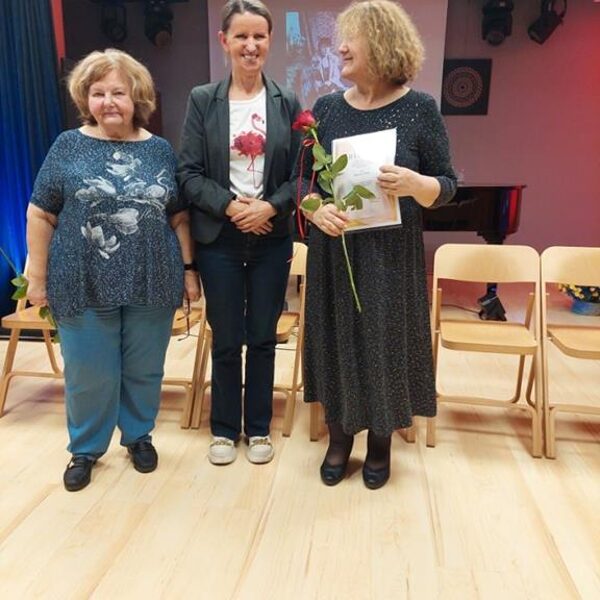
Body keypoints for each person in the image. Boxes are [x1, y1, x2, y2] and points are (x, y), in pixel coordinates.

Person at [298, 0, 457, 489]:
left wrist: (415, 183)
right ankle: (339, 438)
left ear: (383, 44)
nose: (340, 48)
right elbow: (303, 183)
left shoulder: (419, 108)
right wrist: (315, 208)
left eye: (351, 38)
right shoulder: (327, 108)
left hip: (390, 256)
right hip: (336, 252)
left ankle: (380, 442)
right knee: (337, 339)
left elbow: (447, 185)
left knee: (383, 343)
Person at [26, 49, 200, 492]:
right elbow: (40, 213)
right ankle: (85, 449)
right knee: (89, 371)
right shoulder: (68, 145)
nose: (108, 102)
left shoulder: (160, 150)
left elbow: (179, 215)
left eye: (118, 92)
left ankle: (139, 437)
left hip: (152, 278)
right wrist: (37, 278)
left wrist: (189, 270)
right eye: (98, 93)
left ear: (136, 97)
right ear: (85, 98)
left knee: (145, 368)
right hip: (81, 278)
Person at [177, 0, 302, 465]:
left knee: (263, 337)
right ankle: (225, 430)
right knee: (227, 338)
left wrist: (270, 205)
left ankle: (260, 429)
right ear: (224, 41)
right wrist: (231, 207)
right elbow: (188, 173)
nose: (251, 45)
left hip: (271, 236)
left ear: (270, 41)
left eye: (259, 36)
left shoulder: (287, 101)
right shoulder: (202, 99)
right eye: (242, 36)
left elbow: (301, 175)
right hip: (220, 239)